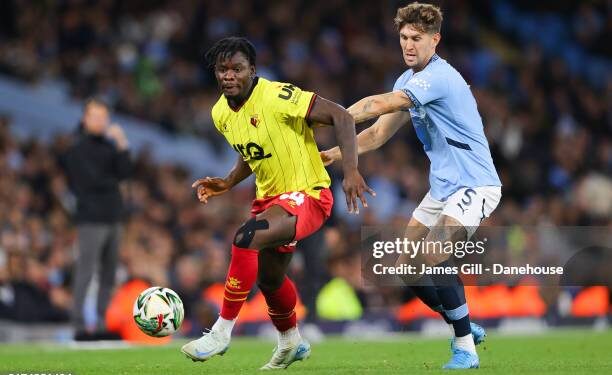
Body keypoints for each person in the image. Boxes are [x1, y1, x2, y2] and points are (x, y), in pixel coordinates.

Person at [320, 2, 501, 369]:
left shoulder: (440, 78)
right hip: (442, 188)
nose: (408, 45)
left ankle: (465, 346)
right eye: (403, 37)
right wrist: (331, 155)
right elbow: (376, 134)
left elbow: (376, 105)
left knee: (435, 253)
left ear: (435, 40)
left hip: (475, 184)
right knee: (406, 268)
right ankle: (462, 323)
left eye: (416, 38)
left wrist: (331, 116)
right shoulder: (408, 81)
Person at [181, 37, 372, 369]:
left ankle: (221, 331)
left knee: (245, 238)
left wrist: (351, 170)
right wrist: (227, 181)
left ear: (252, 70)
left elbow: (341, 116)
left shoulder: (278, 95)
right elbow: (251, 153)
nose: (229, 76)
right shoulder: (220, 114)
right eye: (222, 70)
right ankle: (291, 341)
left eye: (237, 69)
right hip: (270, 200)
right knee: (269, 279)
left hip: (309, 194)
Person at [62, 98, 131, 340]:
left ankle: (101, 323)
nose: (101, 122)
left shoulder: (110, 146)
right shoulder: (77, 148)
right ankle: (79, 324)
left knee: (109, 273)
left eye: (104, 117)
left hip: (113, 217)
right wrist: (114, 185)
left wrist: (122, 143)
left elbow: (125, 173)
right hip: (91, 218)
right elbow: (89, 182)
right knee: (86, 271)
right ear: (85, 119)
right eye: (95, 116)